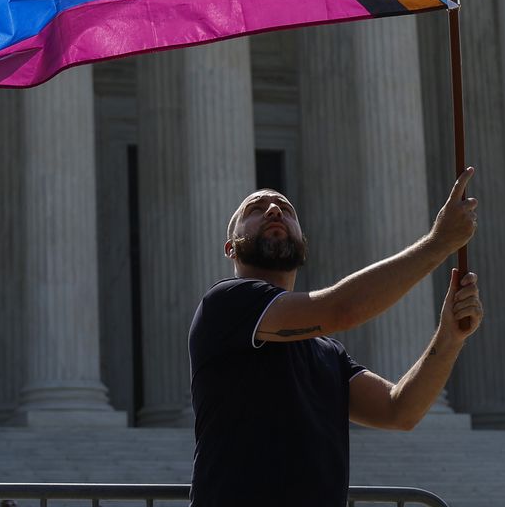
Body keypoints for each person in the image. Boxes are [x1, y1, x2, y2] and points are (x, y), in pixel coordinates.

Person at [188, 170, 483, 507]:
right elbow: (341, 310)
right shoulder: (225, 304)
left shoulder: (326, 353)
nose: (273, 210)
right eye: (255, 209)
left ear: (303, 240)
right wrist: (439, 242)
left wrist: (450, 335)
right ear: (231, 248)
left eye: (285, 209)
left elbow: (399, 409)